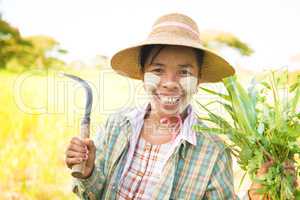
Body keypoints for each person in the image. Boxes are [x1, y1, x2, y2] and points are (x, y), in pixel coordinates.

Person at [65, 13, 276, 199]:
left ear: (199, 78)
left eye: (184, 72)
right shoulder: (117, 125)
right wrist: (88, 173)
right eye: (157, 70)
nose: (169, 82)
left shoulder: (213, 151)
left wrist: (255, 194)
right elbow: (94, 193)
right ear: (142, 74)